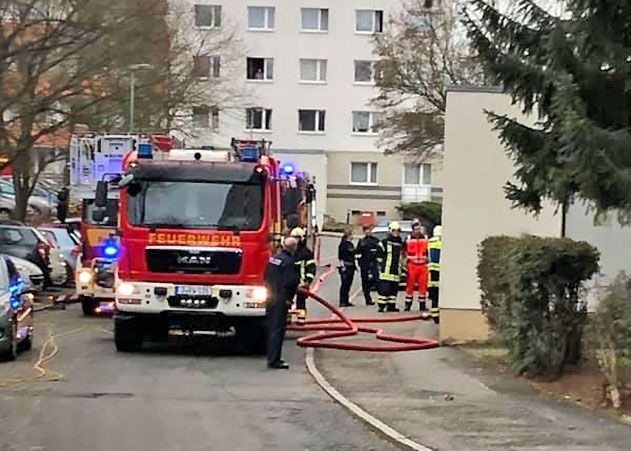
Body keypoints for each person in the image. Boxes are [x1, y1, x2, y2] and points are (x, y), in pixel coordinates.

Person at [265, 236, 300, 370]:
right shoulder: (289, 262)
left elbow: (266, 276)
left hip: (271, 297)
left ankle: (271, 357)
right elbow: (291, 282)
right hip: (281, 299)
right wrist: (289, 299)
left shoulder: (274, 259)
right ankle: (274, 360)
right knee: (278, 330)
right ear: (293, 248)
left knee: (272, 328)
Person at [376, 221, 404, 312]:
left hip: (396, 271)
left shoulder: (400, 243)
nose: (396, 233)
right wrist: (380, 267)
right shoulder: (384, 242)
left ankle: (391, 306)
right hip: (386, 271)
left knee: (393, 291)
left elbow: (402, 256)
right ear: (390, 231)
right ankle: (381, 306)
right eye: (394, 231)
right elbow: (379, 256)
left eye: (398, 231)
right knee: (384, 290)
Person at [291, 227, 315, 324]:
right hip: (290, 283)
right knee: (287, 301)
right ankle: (287, 319)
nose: (295, 240)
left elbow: (311, 268)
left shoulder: (306, 253)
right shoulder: (289, 252)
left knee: (301, 302)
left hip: (302, 283)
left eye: (297, 238)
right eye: (294, 238)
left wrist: (308, 280)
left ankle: (301, 319)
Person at [403, 222, 429, 312]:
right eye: (416, 229)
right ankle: (407, 305)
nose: (418, 231)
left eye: (419, 229)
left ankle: (422, 305)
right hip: (412, 265)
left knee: (423, 286)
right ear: (413, 230)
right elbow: (403, 251)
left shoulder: (425, 238)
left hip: (423, 265)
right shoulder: (408, 239)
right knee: (410, 286)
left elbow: (428, 250)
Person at [355, 226, 380, 305]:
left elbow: (380, 251)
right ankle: (368, 299)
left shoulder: (375, 240)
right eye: (366, 231)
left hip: (374, 263)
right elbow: (357, 252)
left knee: (378, 281)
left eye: (369, 230)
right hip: (364, 264)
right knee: (365, 282)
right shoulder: (362, 241)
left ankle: (381, 299)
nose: (368, 232)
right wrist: (359, 262)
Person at [427, 225, 442, 324]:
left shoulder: (430, 242)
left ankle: (435, 315)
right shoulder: (440, 243)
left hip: (431, 273)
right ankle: (437, 316)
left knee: (434, 296)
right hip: (439, 272)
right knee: (438, 295)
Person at [337, 230, 356, 307]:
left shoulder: (350, 244)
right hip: (345, 267)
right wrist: (342, 267)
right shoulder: (343, 245)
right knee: (344, 284)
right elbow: (340, 257)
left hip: (351, 266)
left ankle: (346, 300)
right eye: (351, 235)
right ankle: (342, 301)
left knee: (348, 284)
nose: (353, 237)